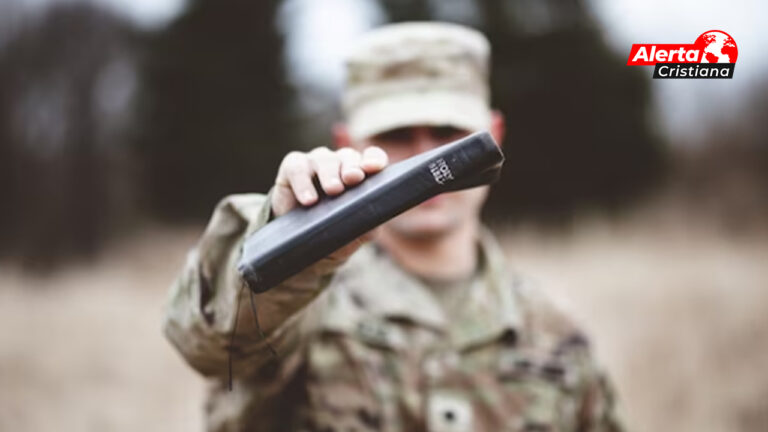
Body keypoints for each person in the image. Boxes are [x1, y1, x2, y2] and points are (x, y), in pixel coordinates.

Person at [163, 22, 624, 432]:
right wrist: (282, 237)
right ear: (348, 143)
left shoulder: (555, 334)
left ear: (493, 136)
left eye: (448, 133)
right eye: (397, 136)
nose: (427, 157)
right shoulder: (300, 304)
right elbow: (210, 341)